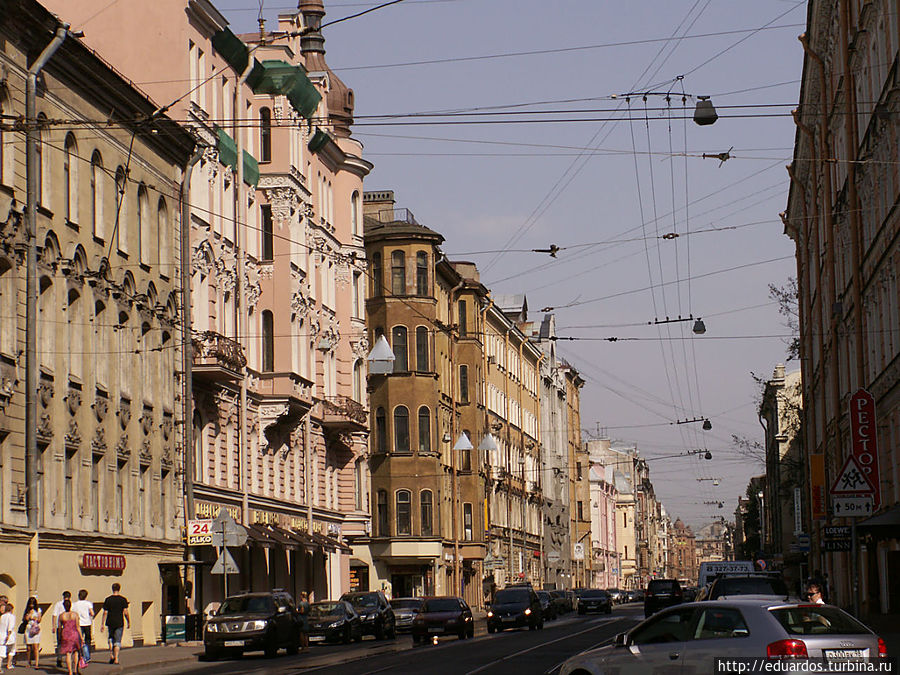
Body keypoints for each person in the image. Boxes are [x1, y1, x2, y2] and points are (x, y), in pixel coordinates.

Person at [100, 583, 129, 665]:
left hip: (110, 622)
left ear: (112, 589)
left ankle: (111, 654)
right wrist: (128, 621)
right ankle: (116, 658)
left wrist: (102, 623)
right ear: (119, 589)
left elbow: (105, 612)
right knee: (118, 640)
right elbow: (125, 612)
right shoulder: (123, 599)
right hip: (119, 622)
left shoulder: (108, 599)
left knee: (110, 638)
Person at [58, 599, 83, 675]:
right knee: (76, 652)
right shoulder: (75, 614)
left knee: (68, 653)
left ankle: (70, 672)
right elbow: (78, 627)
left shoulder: (61, 616)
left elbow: (59, 627)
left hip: (65, 634)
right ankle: (75, 669)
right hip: (74, 633)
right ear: (71, 605)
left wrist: (59, 636)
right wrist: (81, 637)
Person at [72, 589, 94, 663]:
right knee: (88, 640)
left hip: (78, 624)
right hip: (87, 623)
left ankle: (80, 654)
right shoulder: (88, 603)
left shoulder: (74, 604)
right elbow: (92, 613)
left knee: (79, 640)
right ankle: (87, 655)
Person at [52, 590, 72, 668]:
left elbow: (54, 615)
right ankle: (66, 659)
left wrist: (54, 626)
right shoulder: (71, 604)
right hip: (67, 627)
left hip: (60, 627)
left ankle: (59, 659)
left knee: (60, 643)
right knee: (67, 644)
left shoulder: (58, 604)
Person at [23, 596, 42, 668]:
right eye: (31, 604)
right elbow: (26, 619)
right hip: (28, 629)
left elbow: (39, 619)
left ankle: (36, 663)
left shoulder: (38, 610)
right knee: (28, 647)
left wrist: (35, 618)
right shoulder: (27, 610)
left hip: (36, 628)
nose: (32, 605)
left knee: (35, 646)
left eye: (33, 604)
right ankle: (29, 662)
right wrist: (29, 615)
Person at [0, 601, 16, 670]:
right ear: (11, 609)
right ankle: (9, 664)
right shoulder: (11, 616)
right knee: (12, 650)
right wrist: (8, 635)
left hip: (1, 635)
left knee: (1, 652)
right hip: (9, 636)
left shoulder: (2, 616)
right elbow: (10, 627)